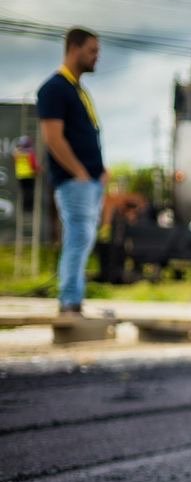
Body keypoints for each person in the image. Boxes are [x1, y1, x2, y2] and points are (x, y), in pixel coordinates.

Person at [36, 27, 106, 316]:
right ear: (74, 49)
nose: (96, 57)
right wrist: (79, 172)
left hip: (90, 180)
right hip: (75, 182)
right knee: (77, 238)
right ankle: (70, 302)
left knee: (84, 239)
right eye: (92, 51)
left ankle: (74, 299)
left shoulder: (76, 89)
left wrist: (100, 171)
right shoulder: (54, 88)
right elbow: (53, 138)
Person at [14, 134, 37, 218]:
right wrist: (37, 170)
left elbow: (15, 161)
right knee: (29, 192)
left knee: (24, 192)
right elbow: (33, 164)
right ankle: (29, 209)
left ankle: (24, 209)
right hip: (29, 175)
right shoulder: (30, 152)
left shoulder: (17, 152)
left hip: (20, 175)